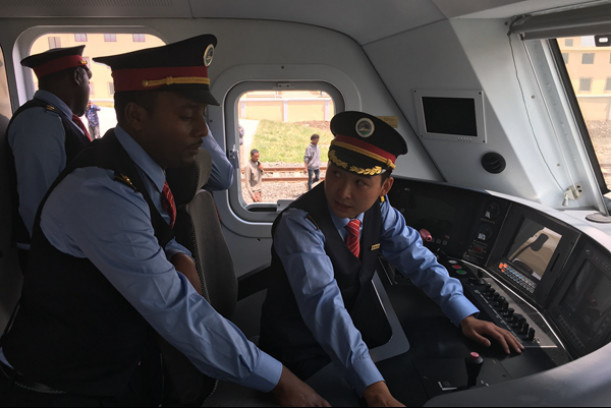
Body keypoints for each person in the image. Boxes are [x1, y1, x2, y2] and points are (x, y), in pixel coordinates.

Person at [0, 34, 329, 407]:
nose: (203, 131)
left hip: (119, 367)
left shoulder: (140, 170)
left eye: (202, 117)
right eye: (187, 117)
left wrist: (178, 253)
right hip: (62, 387)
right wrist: (282, 382)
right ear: (136, 116)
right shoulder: (100, 192)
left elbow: (151, 228)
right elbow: (175, 311)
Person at [259, 111, 524, 407]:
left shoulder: (380, 211)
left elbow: (416, 258)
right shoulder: (300, 224)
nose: (343, 192)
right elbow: (324, 306)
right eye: (335, 173)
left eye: (361, 183)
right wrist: (372, 386)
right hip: (298, 351)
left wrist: (463, 313)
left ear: (384, 187)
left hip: (342, 336)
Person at [6, 45, 92, 270]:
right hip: (52, 257)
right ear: (76, 76)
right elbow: (37, 201)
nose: (89, 90)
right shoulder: (40, 121)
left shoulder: (58, 119)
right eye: (88, 81)